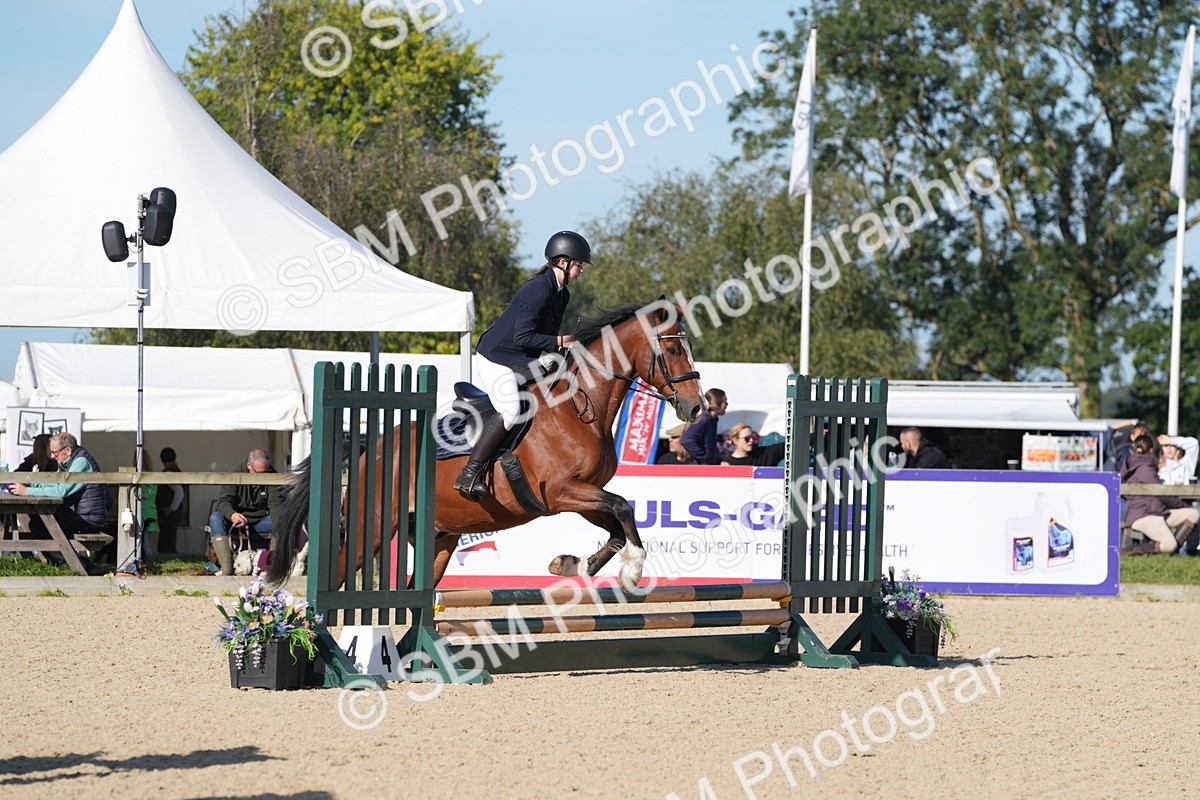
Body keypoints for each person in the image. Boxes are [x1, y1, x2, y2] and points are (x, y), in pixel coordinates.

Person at [453, 230, 591, 501]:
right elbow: (523, 337)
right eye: (579, 265)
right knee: (512, 409)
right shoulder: (537, 289)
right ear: (563, 263)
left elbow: (540, 341)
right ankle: (469, 473)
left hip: (521, 357)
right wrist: (561, 341)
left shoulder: (562, 295)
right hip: (497, 357)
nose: (581, 271)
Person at [8, 432, 108, 538]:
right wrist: (32, 484)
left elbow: (61, 491)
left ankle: (62, 554)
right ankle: (58, 554)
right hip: (81, 516)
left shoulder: (81, 463)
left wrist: (26, 491)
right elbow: (56, 484)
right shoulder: (69, 461)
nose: (52, 456)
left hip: (88, 521)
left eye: (55, 452)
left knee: (39, 525)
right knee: (39, 522)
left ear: (68, 450)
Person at [209, 448, 282, 575]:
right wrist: (232, 515)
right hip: (236, 521)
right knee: (215, 518)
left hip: (260, 521)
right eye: (258, 473)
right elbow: (223, 501)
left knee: (281, 519)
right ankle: (227, 569)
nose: (262, 477)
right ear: (249, 465)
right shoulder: (235, 473)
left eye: (265, 472)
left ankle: (273, 567)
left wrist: (280, 525)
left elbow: (275, 504)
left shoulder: (272, 474)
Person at [1122, 435, 1198, 555]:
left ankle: (1174, 551)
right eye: (1166, 446)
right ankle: (1129, 552)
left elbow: (1193, 444)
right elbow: (1162, 494)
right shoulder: (1145, 468)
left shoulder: (1147, 465)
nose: (1169, 448)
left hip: (1158, 511)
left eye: (1172, 446)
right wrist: (1183, 505)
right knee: (1169, 544)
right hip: (1145, 514)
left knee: (1193, 513)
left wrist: (1171, 439)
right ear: (1152, 450)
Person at [680, 388, 728, 465]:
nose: (727, 404)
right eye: (725, 401)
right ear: (717, 403)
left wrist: (718, 460)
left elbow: (710, 447)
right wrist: (703, 459)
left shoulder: (712, 420)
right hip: (699, 469)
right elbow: (686, 440)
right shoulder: (702, 420)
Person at [155, 446, 184, 554]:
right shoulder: (177, 471)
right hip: (174, 511)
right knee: (169, 536)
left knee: (167, 538)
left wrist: (171, 508)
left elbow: (179, 492)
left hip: (169, 512)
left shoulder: (169, 473)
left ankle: (168, 555)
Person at [721, 422, 787, 467]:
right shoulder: (727, 463)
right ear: (735, 440)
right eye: (747, 438)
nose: (751, 440)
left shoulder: (763, 454)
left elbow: (787, 446)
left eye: (752, 437)